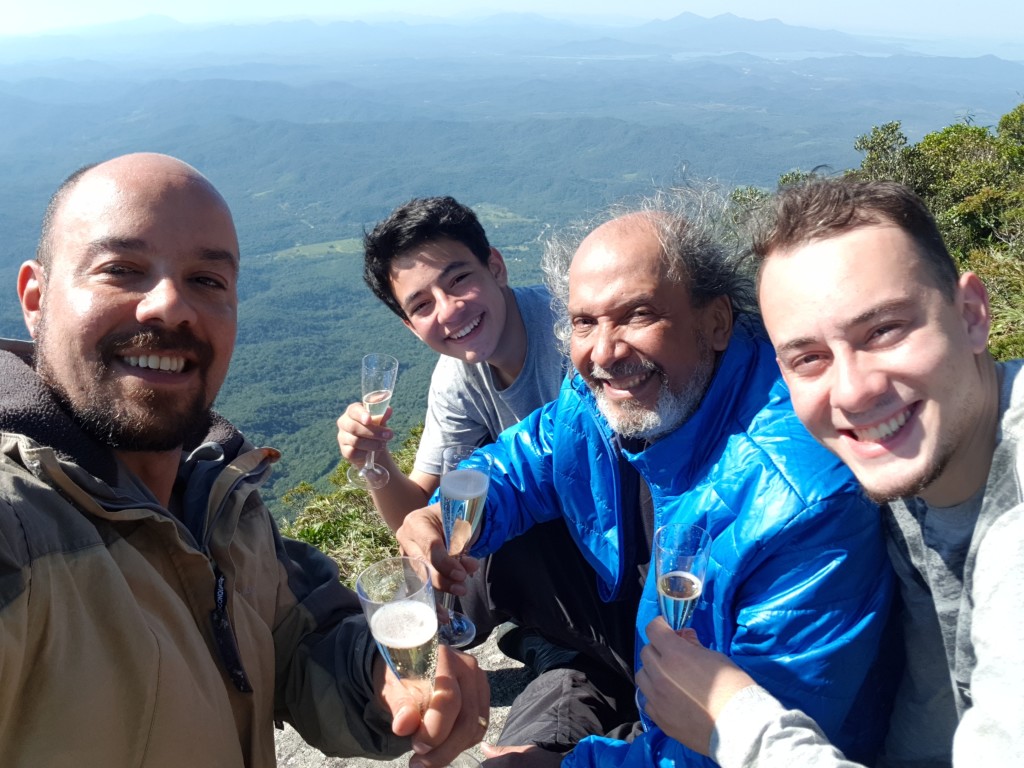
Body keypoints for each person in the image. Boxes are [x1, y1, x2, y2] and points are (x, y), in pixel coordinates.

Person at [0, 153, 490, 767]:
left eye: (207, 280)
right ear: (36, 298)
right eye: (121, 269)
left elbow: (299, 645)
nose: (169, 306)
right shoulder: (18, 525)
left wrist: (379, 676)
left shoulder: (221, 499)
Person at [397, 190, 900, 768]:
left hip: (716, 724)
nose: (605, 352)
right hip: (648, 646)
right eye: (584, 322)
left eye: (638, 315)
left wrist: (566, 767)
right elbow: (527, 455)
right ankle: (566, 677)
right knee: (494, 547)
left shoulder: (798, 509)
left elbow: (744, 743)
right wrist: (441, 514)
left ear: (714, 322)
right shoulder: (608, 393)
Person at [636, 178, 1024, 767]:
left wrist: (737, 724)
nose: (853, 391)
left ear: (971, 315)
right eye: (808, 358)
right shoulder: (917, 470)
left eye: (884, 331)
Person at [336, 196, 598, 669]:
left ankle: (550, 639)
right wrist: (372, 464)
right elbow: (419, 512)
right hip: (545, 544)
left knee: (480, 544)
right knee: (442, 558)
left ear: (495, 267)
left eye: (459, 279)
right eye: (421, 305)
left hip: (608, 534)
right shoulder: (457, 379)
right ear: (410, 326)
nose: (449, 310)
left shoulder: (572, 331)